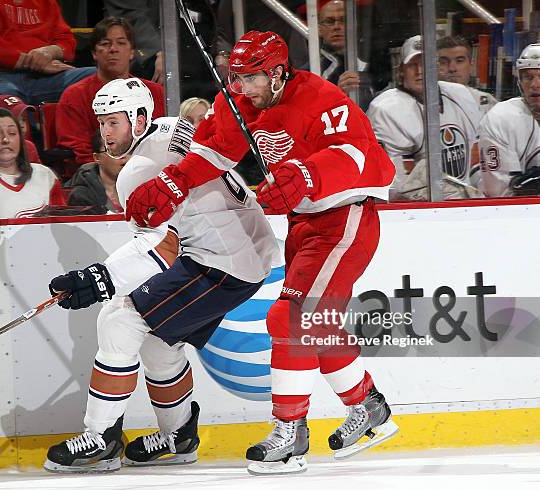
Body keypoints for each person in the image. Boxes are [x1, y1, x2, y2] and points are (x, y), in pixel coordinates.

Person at [125, 31, 397, 475]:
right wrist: (172, 183)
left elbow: (362, 155)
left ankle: (290, 433)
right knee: (316, 323)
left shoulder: (320, 98)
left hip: (344, 219)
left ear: (277, 73)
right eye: (236, 77)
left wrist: (308, 176)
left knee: (291, 319)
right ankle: (368, 407)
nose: (242, 87)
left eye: (251, 78)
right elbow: (215, 150)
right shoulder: (241, 98)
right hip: (305, 224)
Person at [43, 78, 278, 473]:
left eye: (113, 122)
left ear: (138, 119)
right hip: (247, 252)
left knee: (119, 320)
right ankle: (178, 435)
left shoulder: (137, 171)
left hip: (221, 262)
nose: (104, 132)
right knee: (159, 342)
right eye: (101, 122)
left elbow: (156, 249)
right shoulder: (172, 125)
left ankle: (100, 439)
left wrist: (98, 279)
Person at [367, 35, 482, 201]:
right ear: (400, 71)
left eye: (425, 64)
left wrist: (481, 194)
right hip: (416, 212)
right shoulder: (386, 109)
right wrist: (451, 196)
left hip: (465, 205)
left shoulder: (461, 94)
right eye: (412, 65)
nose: (419, 71)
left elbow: (476, 156)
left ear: (437, 68)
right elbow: (396, 186)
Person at [56, 17, 165, 165]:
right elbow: (79, 153)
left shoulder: (155, 92)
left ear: (132, 52)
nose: (113, 49)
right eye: (105, 44)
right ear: (94, 53)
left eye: (121, 43)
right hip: (99, 177)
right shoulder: (74, 96)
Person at [0, 0, 95, 106]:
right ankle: (29, 142)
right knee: (10, 98)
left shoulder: (46, 3)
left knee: (98, 77)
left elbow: (66, 39)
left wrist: (50, 52)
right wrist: (35, 61)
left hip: (45, 77)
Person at [479, 44, 540, 197]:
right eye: (528, 77)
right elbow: (500, 194)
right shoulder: (501, 118)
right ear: (520, 82)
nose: (535, 85)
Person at [315, 0, 374, 110]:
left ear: (354, 25)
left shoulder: (372, 64)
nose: (337, 26)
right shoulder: (309, 71)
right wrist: (337, 95)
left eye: (343, 20)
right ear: (319, 29)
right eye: (329, 21)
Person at [64, 130, 125, 214]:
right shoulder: (81, 197)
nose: (123, 156)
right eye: (114, 150)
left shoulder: (141, 185)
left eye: (127, 149)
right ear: (97, 158)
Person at [437, 35, 498, 117]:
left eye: (459, 61)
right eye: (443, 62)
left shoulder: (485, 102)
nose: (452, 68)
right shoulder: (424, 103)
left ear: (471, 66)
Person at [0, 95, 42, 164]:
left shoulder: (28, 147)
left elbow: (39, 173)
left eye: (23, 119)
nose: (22, 125)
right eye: (15, 120)